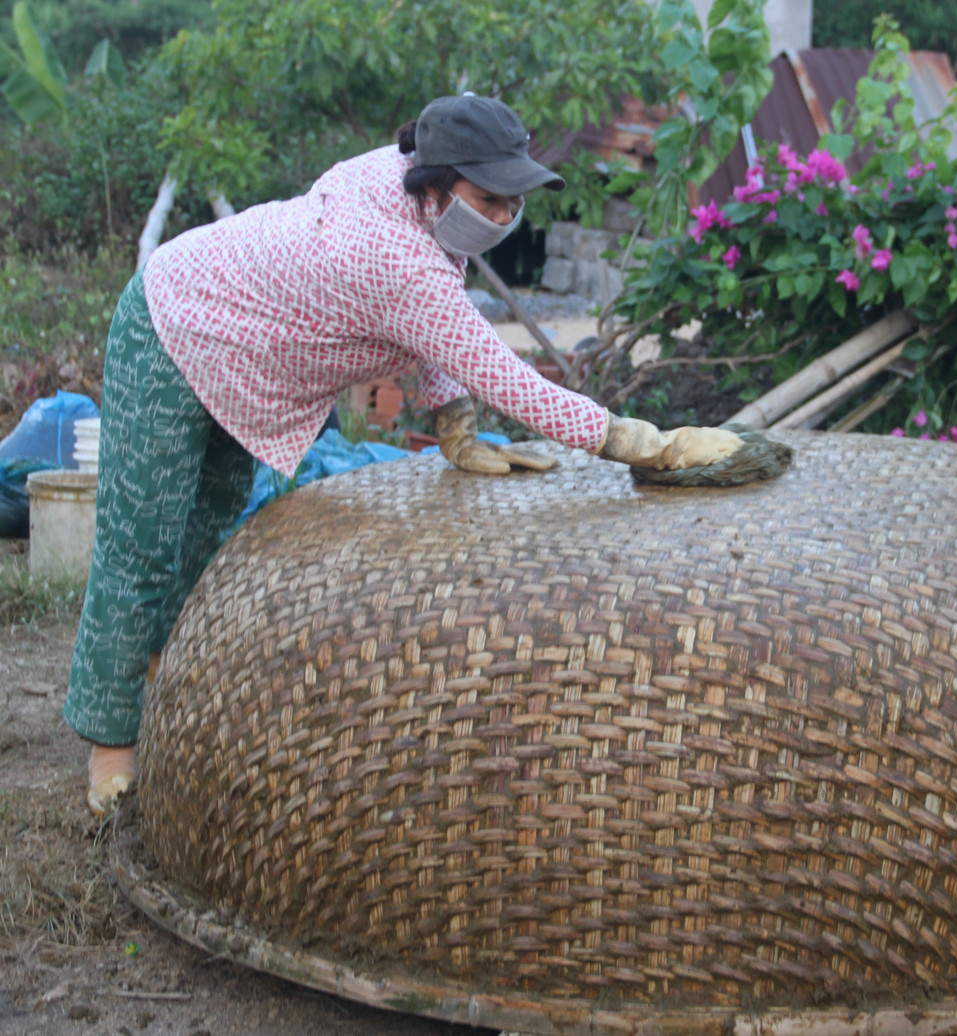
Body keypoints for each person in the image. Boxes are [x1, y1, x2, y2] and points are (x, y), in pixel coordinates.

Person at [67, 94, 742, 818]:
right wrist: (639, 441)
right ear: (437, 183)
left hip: (248, 356)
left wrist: (452, 421)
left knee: (205, 531)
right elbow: (493, 365)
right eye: (491, 198)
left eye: (515, 199)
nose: (506, 215)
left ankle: (165, 683)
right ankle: (109, 742)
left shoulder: (407, 188)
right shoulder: (391, 252)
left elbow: (435, 312)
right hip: (174, 320)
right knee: (141, 542)